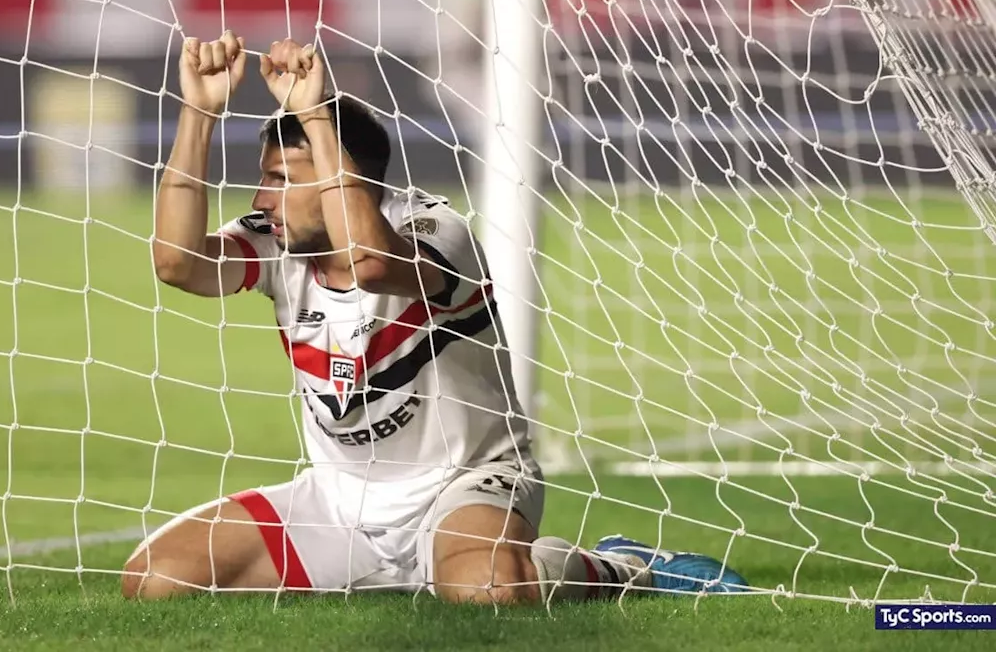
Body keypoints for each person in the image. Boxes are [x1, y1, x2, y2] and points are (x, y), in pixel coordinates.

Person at [122, 31, 748, 604]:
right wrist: (200, 112)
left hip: (467, 484)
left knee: (488, 592)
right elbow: (177, 263)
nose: (262, 200)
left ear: (352, 180)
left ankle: (619, 566)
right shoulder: (277, 242)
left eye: (283, 179)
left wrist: (316, 113)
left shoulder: (436, 231)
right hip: (339, 503)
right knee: (155, 580)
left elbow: (370, 263)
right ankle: (379, 566)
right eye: (264, 179)